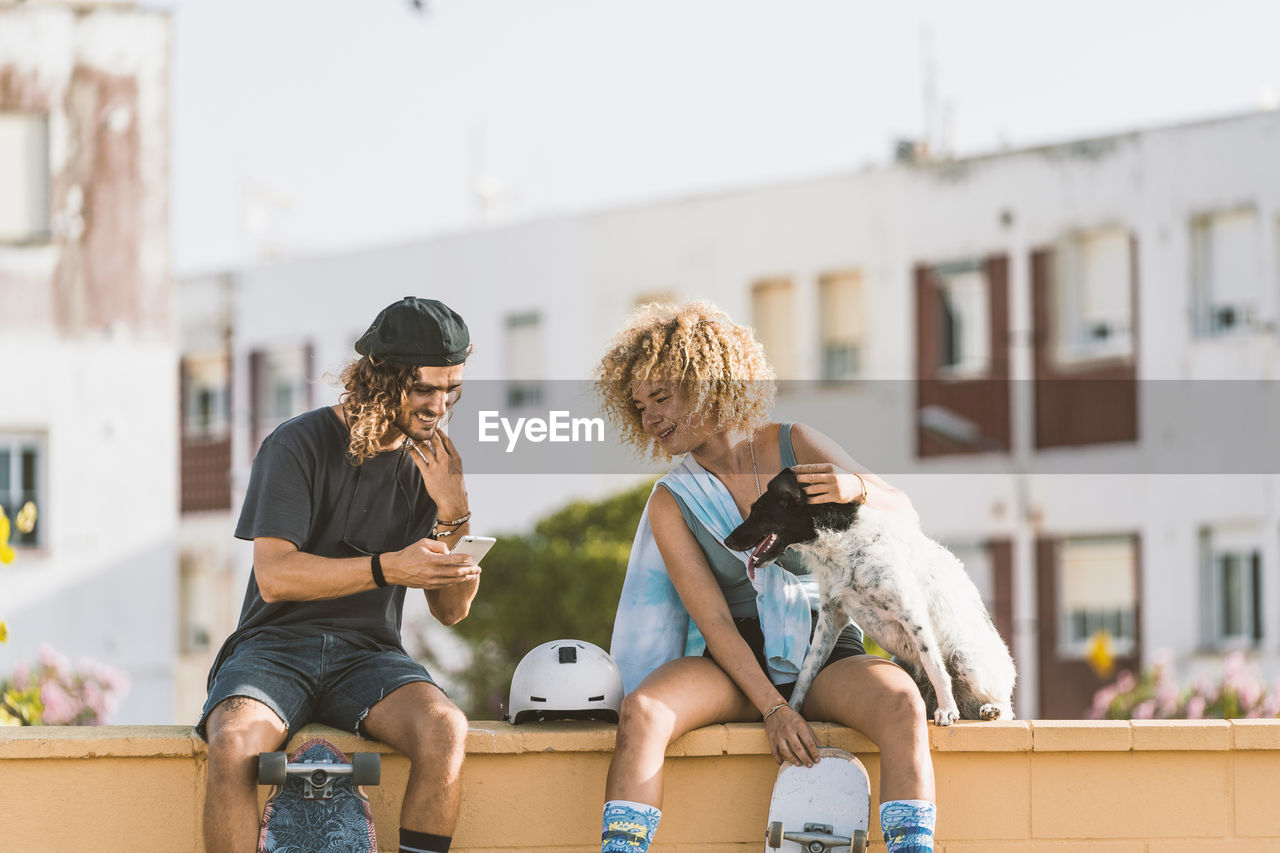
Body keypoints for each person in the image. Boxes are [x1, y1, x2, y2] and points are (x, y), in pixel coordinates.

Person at [594, 302, 938, 853]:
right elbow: (711, 619)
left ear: (707, 381)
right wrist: (773, 708)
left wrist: (857, 490)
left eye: (662, 397)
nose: (650, 417)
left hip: (825, 648)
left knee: (903, 704)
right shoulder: (670, 500)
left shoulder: (794, 443)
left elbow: (906, 515)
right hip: (732, 662)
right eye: (639, 406)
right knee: (644, 711)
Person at [198, 297, 481, 853]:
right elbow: (276, 576)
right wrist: (389, 567)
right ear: (380, 378)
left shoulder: (432, 467)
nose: (439, 406)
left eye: (451, 390)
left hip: (369, 655)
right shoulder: (296, 443)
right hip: (274, 648)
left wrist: (456, 512)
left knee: (445, 728)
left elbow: (451, 611)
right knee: (232, 742)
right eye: (425, 389)